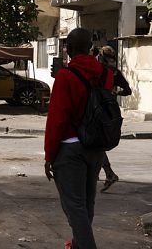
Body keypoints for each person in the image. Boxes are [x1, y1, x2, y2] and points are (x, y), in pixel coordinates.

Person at [44, 28, 114, 249]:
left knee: (74, 207)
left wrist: (49, 155)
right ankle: (77, 244)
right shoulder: (106, 74)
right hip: (95, 146)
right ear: (90, 48)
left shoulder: (65, 76)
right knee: (86, 203)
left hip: (69, 148)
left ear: (69, 49)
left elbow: (57, 120)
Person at [97, 45, 131, 193]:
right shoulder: (115, 72)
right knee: (97, 143)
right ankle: (106, 173)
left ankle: (108, 173)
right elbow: (128, 91)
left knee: (94, 143)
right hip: (110, 111)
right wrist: (115, 93)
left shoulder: (98, 70)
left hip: (96, 110)